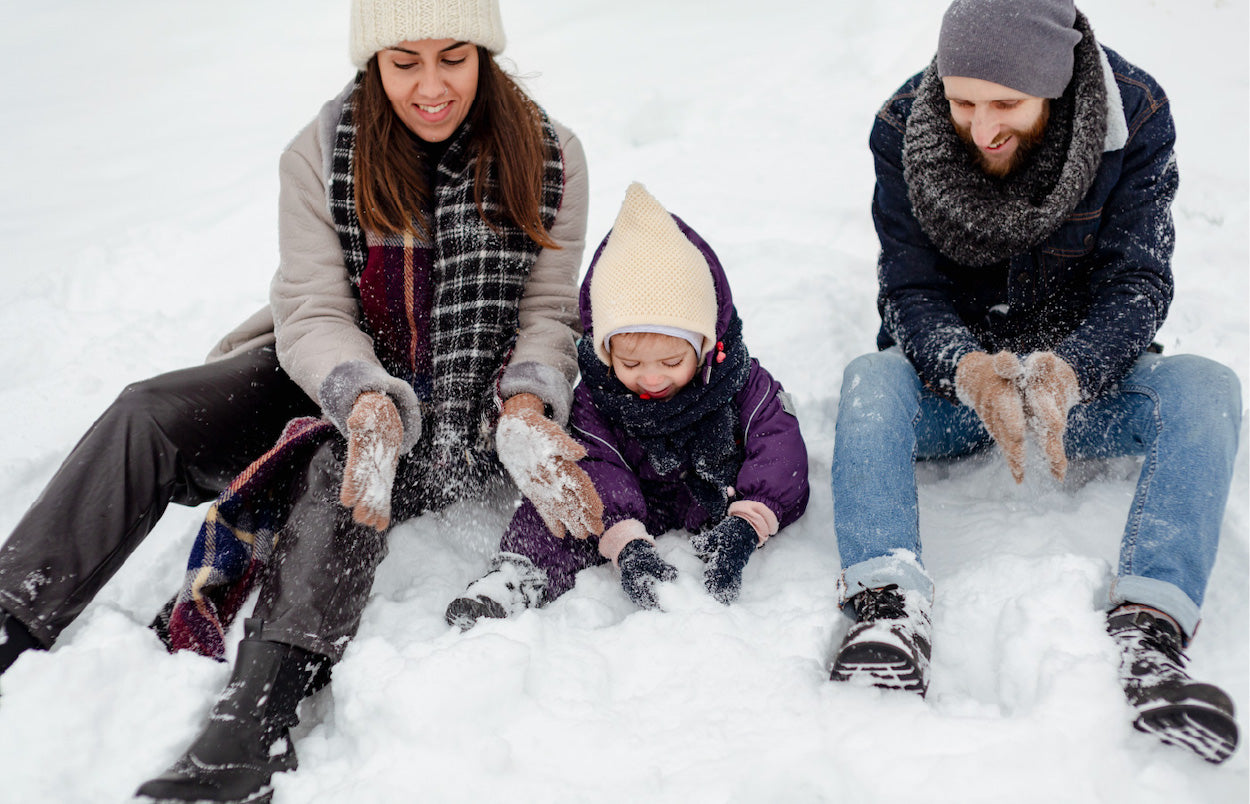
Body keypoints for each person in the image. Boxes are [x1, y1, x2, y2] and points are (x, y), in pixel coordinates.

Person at [127, 1, 594, 801]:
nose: (432, 85)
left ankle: (250, 730)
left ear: (484, 53)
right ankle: (15, 606)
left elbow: (547, 314)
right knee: (147, 408)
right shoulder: (321, 151)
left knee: (342, 470)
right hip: (328, 367)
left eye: (454, 56)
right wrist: (360, 392)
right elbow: (311, 306)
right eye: (403, 62)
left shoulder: (551, 155)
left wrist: (525, 404)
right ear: (372, 63)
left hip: (455, 410)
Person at [828, 0, 1241, 765]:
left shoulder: (1135, 114)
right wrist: (966, 368)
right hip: (959, 391)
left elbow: (1138, 282)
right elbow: (909, 287)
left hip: (1078, 387)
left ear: (1054, 88)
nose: (981, 128)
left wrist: (1074, 369)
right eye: (962, 102)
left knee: (1207, 387)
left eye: (1007, 106)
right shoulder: (901, 127)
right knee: (869, 380)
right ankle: (887, 610)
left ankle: (1150, 628)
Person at [444, 182, 809, 629]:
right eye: (631, 363)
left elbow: (780, 447)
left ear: (706, 343)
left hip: (718, 499)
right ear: (605, 351)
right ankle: (515, 576)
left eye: (672, 362)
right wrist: (626, 541)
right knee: (565, 496)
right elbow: (597, 461)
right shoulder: (597, 395)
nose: (652, 378)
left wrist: (747, 523)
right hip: (632, 503)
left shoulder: (739, 381)